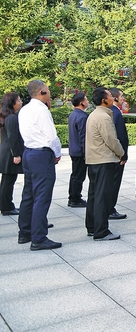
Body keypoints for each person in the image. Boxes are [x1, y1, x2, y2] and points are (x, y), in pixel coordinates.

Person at [17, 80, 62, 250]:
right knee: (42, 196)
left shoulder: (25, 109)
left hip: (29, 152)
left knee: (28, 194)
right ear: (42, 92)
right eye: (48, 90)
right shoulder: (41, 110)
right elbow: (51, 137)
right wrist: (57, 153)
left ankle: (25, 232)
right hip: (41, 154)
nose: (50, 93)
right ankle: (39, 237)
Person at [85, 87, 125, 241]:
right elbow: (111, 139)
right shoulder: (103, 116)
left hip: (95, 159)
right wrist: (121, 152)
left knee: (94, 195)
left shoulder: (95, 114)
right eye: (109, 96)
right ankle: (101, 231)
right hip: (103, 160)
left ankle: (92, 226)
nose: (112, 99)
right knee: (102, 196)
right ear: (104, 100)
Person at [0, 92, 24, 216]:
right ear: (12, 103)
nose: (20, 102)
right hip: (10, 153)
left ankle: (5, 204)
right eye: (18, 100)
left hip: (5, 151)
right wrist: (16, 154)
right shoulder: (12, 118)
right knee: (9, 180)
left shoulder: (6, 116)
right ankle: (7, 206)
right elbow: (13, 138)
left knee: (6, 180)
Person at [108, 88, 129, 220]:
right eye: (121, 96)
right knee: (114, 183)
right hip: (116, 155)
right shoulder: (115, 112)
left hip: (110, 154)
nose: (122, 99)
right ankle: (110, 208)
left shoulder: (110, 112)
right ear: (115, 98)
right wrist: (123, 154)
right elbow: (120, 136)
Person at [67, 92, 88, 208]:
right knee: (79, 175)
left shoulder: (73, 114)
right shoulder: (82, 116)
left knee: (75, 174)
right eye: (86, 100)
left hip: (74, 149)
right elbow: (83, 137)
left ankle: (73, 196)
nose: (87, 102)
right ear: (82, 102)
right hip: (79, 151)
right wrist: (86, 152)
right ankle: (75, 198)